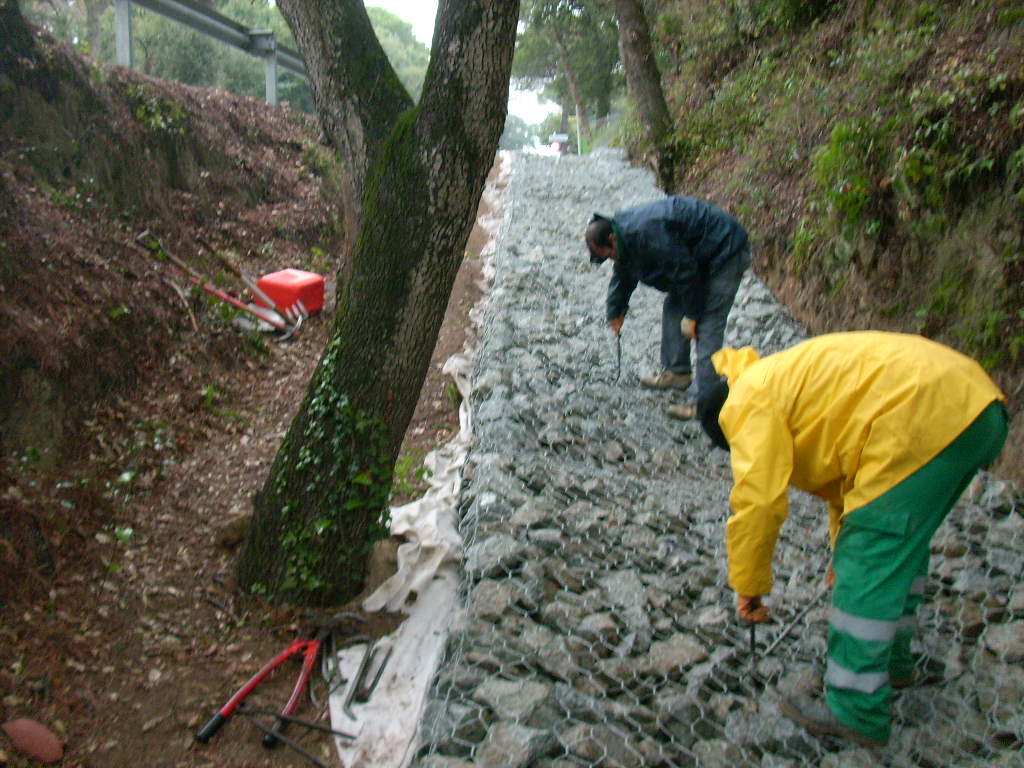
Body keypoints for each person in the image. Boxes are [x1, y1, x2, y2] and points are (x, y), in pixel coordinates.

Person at [695, 331, 1007, 747]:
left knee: (870, 556)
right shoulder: (780, 380)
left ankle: (856, 710)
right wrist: (837, 557)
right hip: (973, 410)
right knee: (898, 546)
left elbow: (759, 503)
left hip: (923, 414)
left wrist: (749, 585)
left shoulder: (746, 403)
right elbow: (847, 483)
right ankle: (893, 662)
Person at [585, 195, 750, 420]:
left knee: (707, 327)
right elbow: (624, 271)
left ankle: (706, 405)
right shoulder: (623, 237)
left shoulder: (647, 232)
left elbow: (685, 272)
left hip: (725, 251)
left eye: (608, 255)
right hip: (699, 256)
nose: (610, 260)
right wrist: (616, 310)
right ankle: (677, 372)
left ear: (612, 239)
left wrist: (692, 316)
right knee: (674, 306)